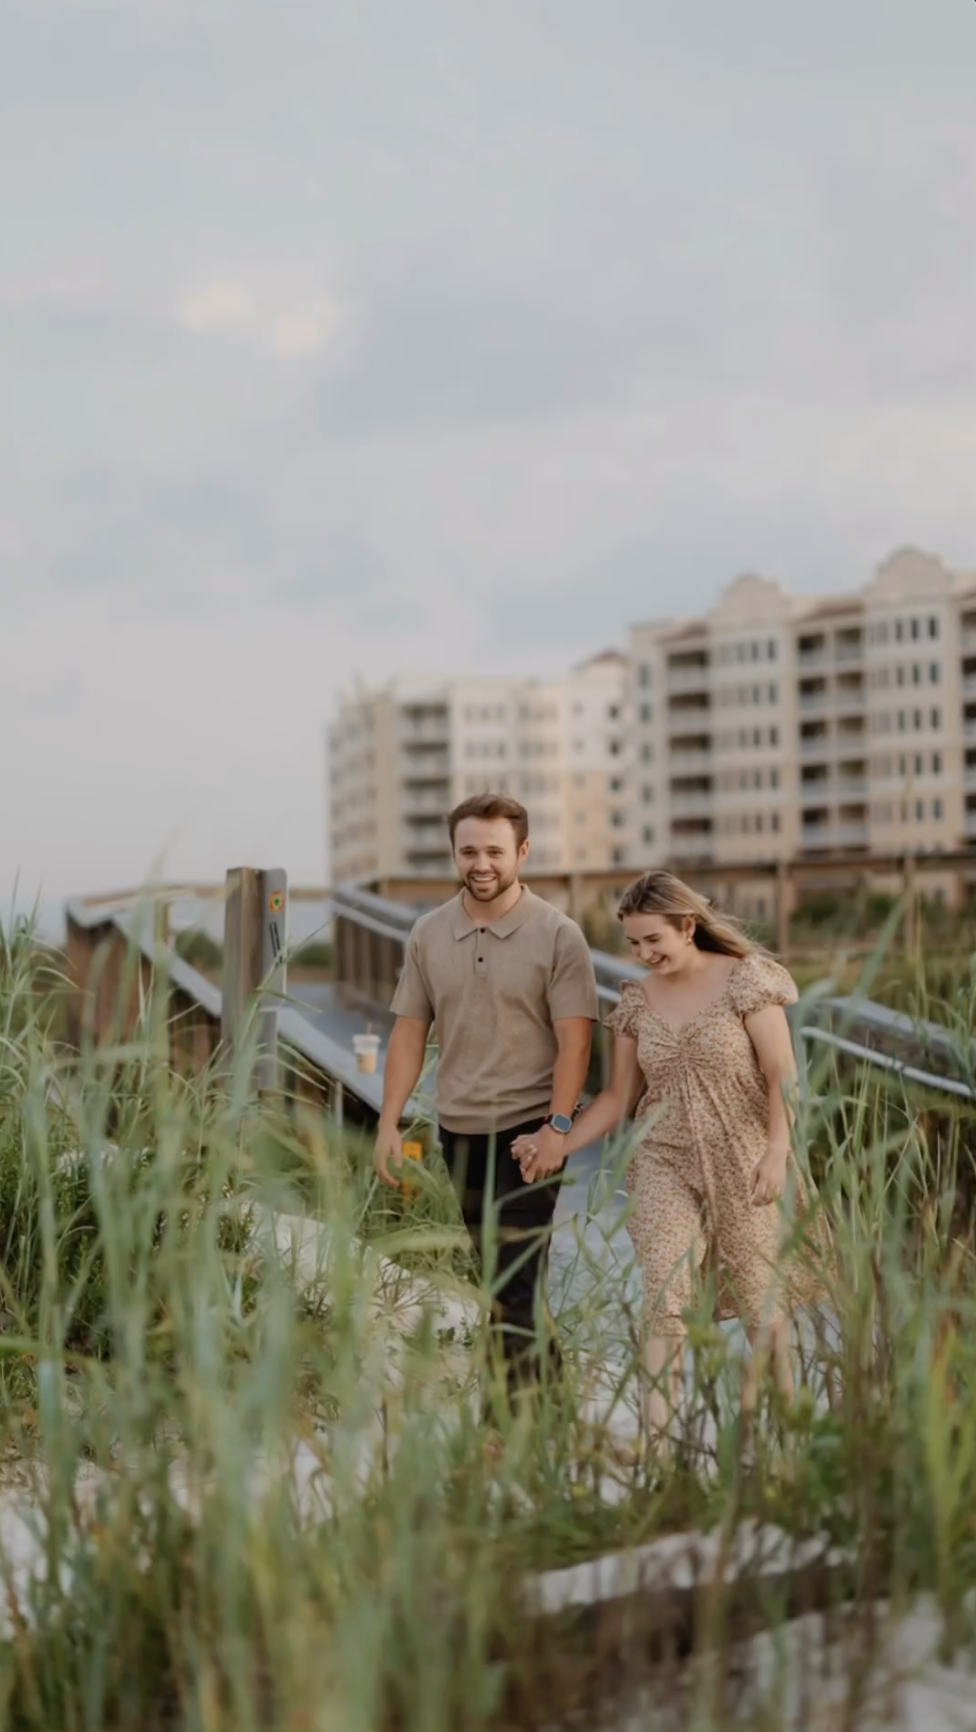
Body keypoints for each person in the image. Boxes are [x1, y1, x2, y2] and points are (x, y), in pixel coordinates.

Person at [513, 870, 826, 1452]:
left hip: (747, 1154)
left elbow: (783, 1076)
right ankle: (659, 1448)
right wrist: (559, 1139)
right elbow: (616, 1098)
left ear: (687, 926)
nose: (642, 954)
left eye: (652, 940)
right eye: (633, 943)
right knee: (664, 1294)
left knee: (763, 1302)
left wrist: (778, 1151)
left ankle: (785, 1441)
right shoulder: (636, 1002)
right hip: (663, 1158)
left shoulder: (747, 980)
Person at [373, 792, 598, 1411]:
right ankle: (553, 1413)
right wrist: (389, 1122)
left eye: (495, 851)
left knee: (511, 1283)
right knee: (502, 1279)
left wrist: (557, 1127)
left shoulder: (559, 934)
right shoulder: (427, 932)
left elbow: (576, 1042)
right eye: (469, 850)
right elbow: (409, 1032)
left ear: (521, 852)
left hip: (531, 1129)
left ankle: (507, 1425)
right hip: (460, 1127)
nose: (481, 863)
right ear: (453, 852)